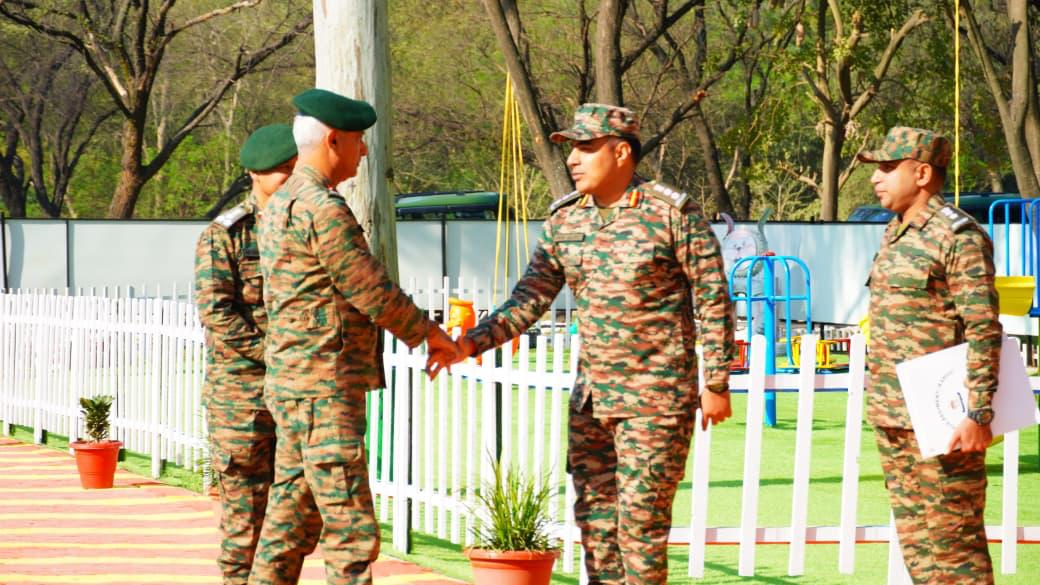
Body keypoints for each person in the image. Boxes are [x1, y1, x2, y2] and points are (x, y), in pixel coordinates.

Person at [428, 103, 735, 584]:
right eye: (571, 148)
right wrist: (469, 344)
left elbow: (713, 296)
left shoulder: (671, 214)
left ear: (620, 152)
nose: (573, 159)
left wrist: (715, 380)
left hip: (654, 401)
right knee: (595, 526)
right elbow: (529, 298)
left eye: (585, 148)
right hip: (591, 401)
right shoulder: (566, 221)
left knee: (640, 530)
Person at [247, 88, 455, 585]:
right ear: (333, 140)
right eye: (360, 142)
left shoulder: (279, 203)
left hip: (294, 384)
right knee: (350, 529)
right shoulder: (321, 206)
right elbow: (368, 287)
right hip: (324, 388)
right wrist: (430, 334)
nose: (364, 152)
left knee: (290, 519)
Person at [859, 127, 1001, 584]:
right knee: (919, 546)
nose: (876, 179)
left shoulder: (957, 235)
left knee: (955, 546)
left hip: (944, 421)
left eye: (886, 168)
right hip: (894, 416)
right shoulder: (894, 232)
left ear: (921, 173)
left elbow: (982, 328)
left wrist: (978, 411)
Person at [194, 123, 297, 585]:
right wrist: (275, 353)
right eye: (283, 174)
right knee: (246, 521)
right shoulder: (227, 235)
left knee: (293, 518)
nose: (292, 183)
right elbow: (217, 313)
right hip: (243, 399)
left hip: (297, 393)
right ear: (256, 175)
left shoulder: (308, 226)